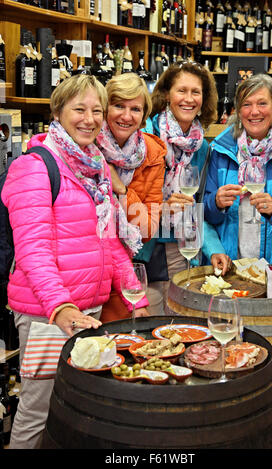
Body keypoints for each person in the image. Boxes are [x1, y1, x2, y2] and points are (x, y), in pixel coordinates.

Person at [1, 74, 148, 449]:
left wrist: (135, 297)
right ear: (58, 112)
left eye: (97, 110)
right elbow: (33, 252)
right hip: (46, 313)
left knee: (73, 406)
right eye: (78, 109)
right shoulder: (35, 167)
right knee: (38, 410)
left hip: (88, 310)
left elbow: (110, 243)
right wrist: (60, 308)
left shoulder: (93, 166)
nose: (89, 119)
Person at [145, 61, 231, 314]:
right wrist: (160, 209)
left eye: (196, 92)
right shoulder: (145, 136)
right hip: (143, 250)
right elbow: (123, 198)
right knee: (145, 333)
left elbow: (198, 208)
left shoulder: (202, 148)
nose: (189, 98)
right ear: (166, 94)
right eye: (181, 90)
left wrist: (214, 249)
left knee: (177, 329)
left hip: (182, 251)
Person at [204, 73, 272, 263]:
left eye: (262, 103)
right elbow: (204, 214)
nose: (254, 111)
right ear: (238, 111)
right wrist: (215, 202)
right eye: (246, 105)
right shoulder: (220, 150)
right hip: (230, 266)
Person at [96, 72, 166, 319]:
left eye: (135, 109)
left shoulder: (153, 155)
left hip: (127, 273)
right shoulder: (85, 146)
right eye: (118, 106)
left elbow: (147, 231)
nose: (126, 116)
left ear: (144, 115)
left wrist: (122, 189)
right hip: (89, 272)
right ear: (104, 108)